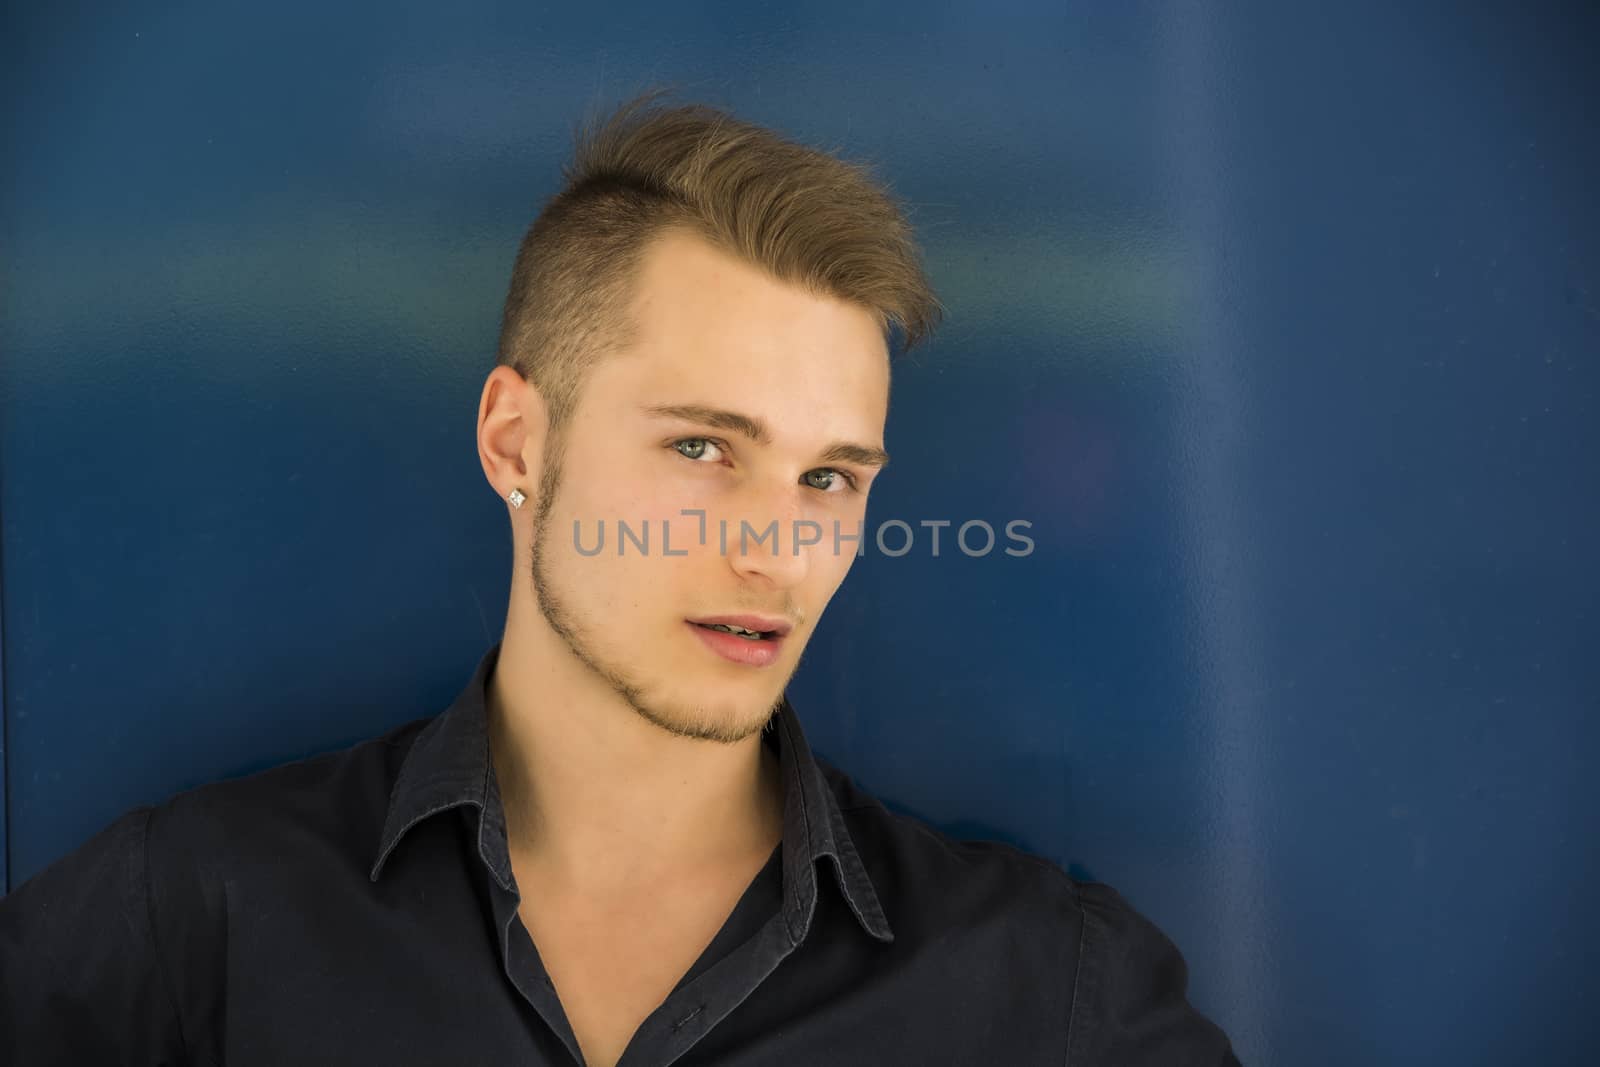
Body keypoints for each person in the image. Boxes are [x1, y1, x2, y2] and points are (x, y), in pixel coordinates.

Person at [0, 91, 1239, 1066]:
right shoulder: (199, 917)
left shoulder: (1044, 987)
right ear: (515, 443)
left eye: (829, 477)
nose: (776, 545)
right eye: (704, 448)